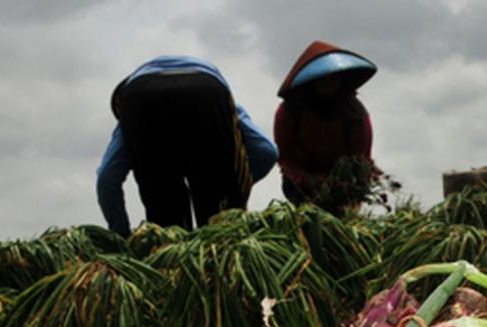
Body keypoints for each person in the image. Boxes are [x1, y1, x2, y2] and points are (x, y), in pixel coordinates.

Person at [97, 56, 277, 236]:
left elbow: (107, 178)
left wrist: (120, 234)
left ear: (121, 110)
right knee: (222, 234)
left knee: (168, 233)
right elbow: (267, 151)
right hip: (207, 89)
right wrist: (233, 186)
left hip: (139, 98)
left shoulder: (128, 121)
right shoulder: (231, 108)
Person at [274, 41, 377, 215]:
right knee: (308, 220)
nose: (327, 84)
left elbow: (361, 161)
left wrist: (345, 186)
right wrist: (308, 180)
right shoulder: (290, 111)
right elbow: (285, 157)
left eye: (332, 79)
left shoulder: (356, 116)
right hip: (300, 186)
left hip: (342, 187)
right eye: (321, 79)